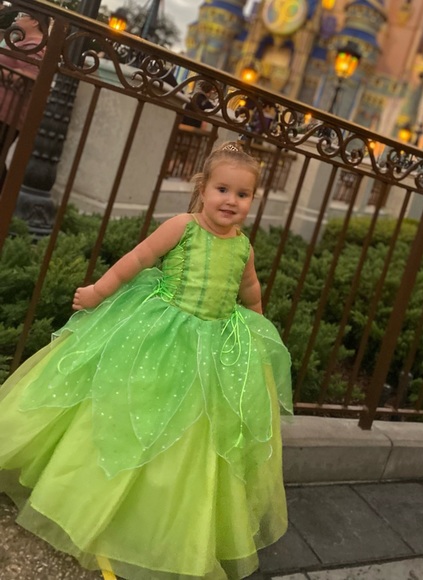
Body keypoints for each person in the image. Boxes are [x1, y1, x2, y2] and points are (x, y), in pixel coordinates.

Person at [0, 141, 293, 580]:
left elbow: (249, 290)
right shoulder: (182, 227)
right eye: (222, 189)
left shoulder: (242, 247)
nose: (231, 201)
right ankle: (94, 498)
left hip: (213, 349)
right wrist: (98, 291)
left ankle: (154, 522)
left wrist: (257, 325)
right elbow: (137, 259)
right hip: (160, 335)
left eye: (242, 194)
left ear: (253, 199)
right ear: (202, 188)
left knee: (190, 436)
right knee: (134, 417)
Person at [0, 10, 49, 187]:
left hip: (9, 114)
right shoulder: (23, 42)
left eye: (22, 15)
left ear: (35, 21)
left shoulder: (37, 47)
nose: (16, 18)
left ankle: (7, 196)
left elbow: (30, 78)